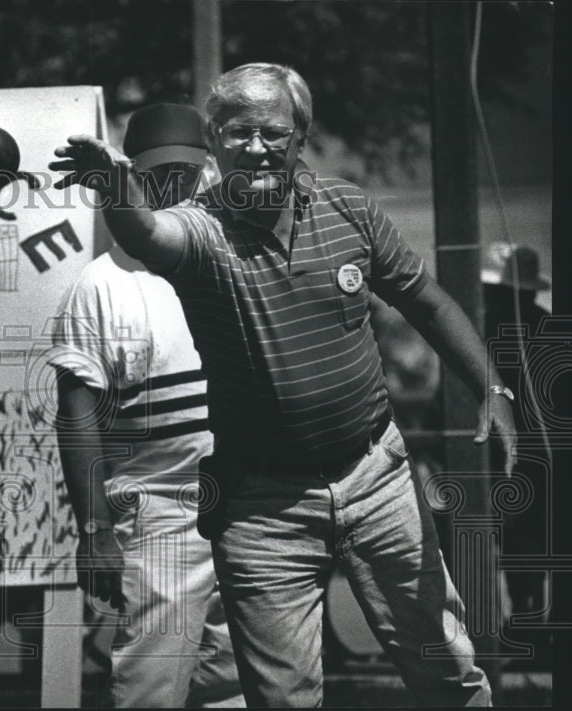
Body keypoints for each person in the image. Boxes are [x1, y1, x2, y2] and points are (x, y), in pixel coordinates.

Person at [49, 63, 517, 707]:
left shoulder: (349, 207)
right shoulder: (199, 230)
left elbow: (427, 301)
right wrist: (113, 192)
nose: (259, 147)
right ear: (217, 140)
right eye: (240, 133)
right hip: (257, 506)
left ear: (300, 134)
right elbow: (147, 233)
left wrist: (493, 388)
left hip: (376, 477)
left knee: (446, 667)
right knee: (273, 696)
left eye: (274, 131)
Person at [50, 103, 243, 708]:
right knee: (150, 691)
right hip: (160, 512)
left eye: (188, 169)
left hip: (252, 502)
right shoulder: (102, 283)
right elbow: (77, 413)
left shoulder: (236, 256)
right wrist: (94, 529)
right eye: (158, 171)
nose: (175, 183)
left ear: (210, 170)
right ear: (130, 174)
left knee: (240, 688)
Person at [483, 243, 552, 662]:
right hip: (545, 450)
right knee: (539, 536)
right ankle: (535, 620)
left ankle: (524, 619)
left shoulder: (490, 328)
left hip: (505, 450)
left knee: (515, 537)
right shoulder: (550, 325)